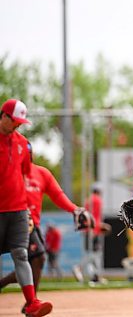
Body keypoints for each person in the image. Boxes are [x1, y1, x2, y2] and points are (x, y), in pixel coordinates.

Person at [0, 142, 84, 294]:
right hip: (6, 218)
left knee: (38, 259)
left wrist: (75, 209)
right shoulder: (7, 172)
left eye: (27, 154)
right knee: (32, 260)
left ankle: (32, 302)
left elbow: (57, 195)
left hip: (30, 224)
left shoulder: (41, 173)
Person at [0, 99, 52, 316]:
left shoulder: (22, 143)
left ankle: (32, 303)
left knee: (21, 255)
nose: (19, 126)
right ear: (4, 116)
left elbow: (22, 174)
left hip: (19, 210)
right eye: (15, 121)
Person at [73, 182, 110, 285]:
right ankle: (79, 267)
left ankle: (96, 277)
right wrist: (94, 229)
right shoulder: (97, 200)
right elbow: (94, 217)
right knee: (95, 254)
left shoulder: (88, 200)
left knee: (92, 254)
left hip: (87, 229)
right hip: (93, 229)